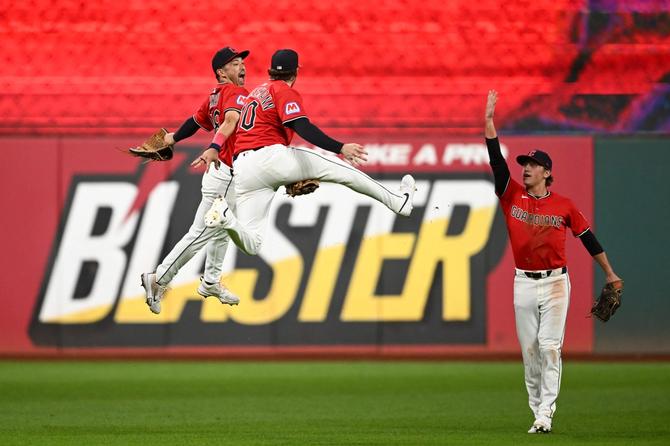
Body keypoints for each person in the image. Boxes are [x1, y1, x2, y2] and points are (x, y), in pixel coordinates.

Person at [484, 90, 622, 433]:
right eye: (525, 165)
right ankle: (537, 412)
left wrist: (610, 273)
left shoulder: (564, 205)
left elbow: (588, 238)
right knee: (530, 351)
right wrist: (488, 122)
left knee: (549, 347)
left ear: (546, 172)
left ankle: (545, 414)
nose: (526, 169)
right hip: (523, 282)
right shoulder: (510, 193)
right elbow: (496, 162)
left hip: (556, 282)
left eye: (532, 165)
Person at [203, 49, 416, 255]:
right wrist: (340, 148)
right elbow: (302, 127)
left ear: (270, 70)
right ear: (296, 71)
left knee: (253, 244)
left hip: (243, 167)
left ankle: (227, 219)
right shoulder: (283, 90)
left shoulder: (256, 92)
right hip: (269, 156)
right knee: (340, 169)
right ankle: (399, 202)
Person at [140, 46, 250, 314]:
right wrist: (214, 146)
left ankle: (211, 280)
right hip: (225, 172)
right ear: (221, 72)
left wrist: (170, 139)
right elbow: (230, 122)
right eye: (234, 64)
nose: (242, 67)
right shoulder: (235, 93)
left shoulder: (215, 96)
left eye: (241, 63)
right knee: (201, 232)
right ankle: (159, 279)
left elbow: (195, 121)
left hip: (224, 173)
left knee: (223, 229)